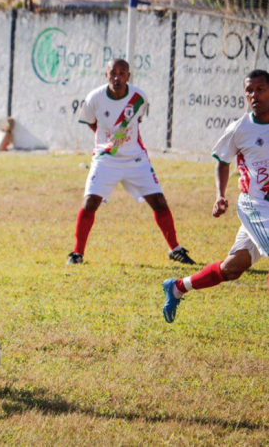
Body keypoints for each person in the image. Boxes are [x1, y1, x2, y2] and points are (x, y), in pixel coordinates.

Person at [162, 69, 269, 323]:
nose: (254, 95)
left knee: (233, 267)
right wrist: (220, 195)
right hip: (254, 206)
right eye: (249, 91)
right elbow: (222, 161)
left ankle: (177, 287)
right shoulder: (240, 128)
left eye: (260, 89)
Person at [67, 58, 195, 265]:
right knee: (90, 202)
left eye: (122, 73)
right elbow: (92, 123)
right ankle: (77, 253)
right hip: (106, 158)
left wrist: (123, 140)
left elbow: (137, 121)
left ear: (128, 75)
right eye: (113, 73)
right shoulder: (95, 98)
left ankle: (175, 249)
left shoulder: (139, 97)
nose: (117, 77)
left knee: (159, 202)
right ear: (106, 75)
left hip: (136, 159)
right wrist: (109, 142)